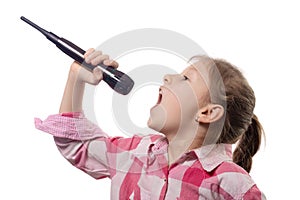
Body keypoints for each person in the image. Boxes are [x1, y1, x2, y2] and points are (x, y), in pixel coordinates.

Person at [35, 48, 266, 199]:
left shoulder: (230, 181)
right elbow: (77, 146)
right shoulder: (136, 154)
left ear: (207, 112)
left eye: (186, 79)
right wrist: (76, 79)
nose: (167, 77)